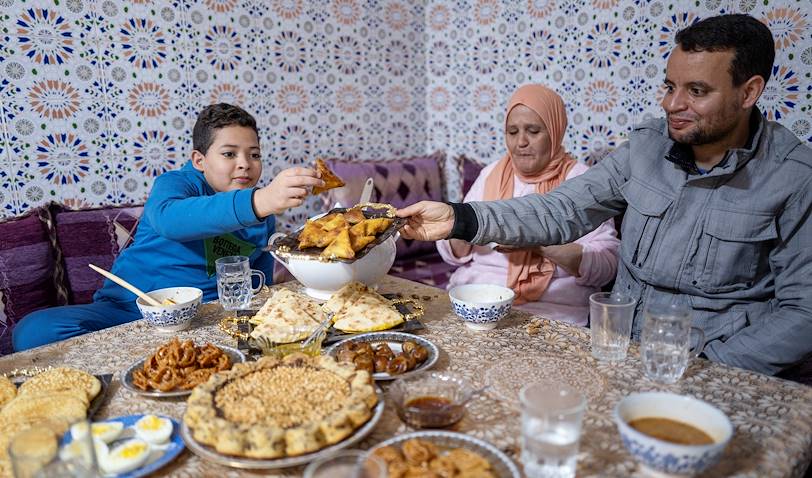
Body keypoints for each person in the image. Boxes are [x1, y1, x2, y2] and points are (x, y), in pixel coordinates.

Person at [397, 14, 812, 376]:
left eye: (697, 91)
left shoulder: (793, 177)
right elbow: (560, 209)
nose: (673, 104)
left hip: (711, 358)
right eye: (670, 86)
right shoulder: (646, 147)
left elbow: (803, 312)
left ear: (749, 92)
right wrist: (458, 219)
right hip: (615, 346)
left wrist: (715, 365)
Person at [12, 103, 323, 351]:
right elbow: (171, 221)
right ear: (199, 160)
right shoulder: (176, 185)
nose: (245, 163)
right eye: (229, 154)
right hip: (128, 311)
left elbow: (259, 285)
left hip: (205, 320)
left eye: (254, 155)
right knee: (34, 331)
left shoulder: (263, 214)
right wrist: (260, 200)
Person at [437, 84, 619, 325]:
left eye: (533, 131)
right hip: (480, 302)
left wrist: (537, 241)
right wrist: (459, 227)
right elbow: (453, 255)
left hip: (552, 310)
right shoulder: (492, 173)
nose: (521, 142)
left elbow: (608, 265)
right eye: (512, 132)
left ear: (554, 132)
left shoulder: (582, 181)